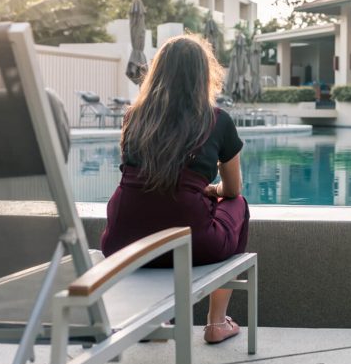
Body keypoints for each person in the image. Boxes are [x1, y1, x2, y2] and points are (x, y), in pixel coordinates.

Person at [101, 34, 249, 344]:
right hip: (190, 242)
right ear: (203, 75)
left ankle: (153, 320)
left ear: (158, 73)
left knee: (156, 212)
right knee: (238, 206)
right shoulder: (217, 121)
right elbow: (233, 189)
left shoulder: (134, 118)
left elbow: (138, 180)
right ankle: (216, 322)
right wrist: (212, 190)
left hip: (124, 242)